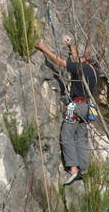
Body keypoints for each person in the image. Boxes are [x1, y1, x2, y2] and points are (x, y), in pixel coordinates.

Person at [36, 36, 99, 185]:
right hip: (87, 108)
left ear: (88, 57)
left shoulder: (81, 68)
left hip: (75, 106)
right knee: (81, 137)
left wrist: (43, 48)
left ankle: (73, 170)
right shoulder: (95, 73)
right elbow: (77, 59)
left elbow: (60, 62)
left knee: (66, 133)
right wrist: (71, 46)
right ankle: (83, 169)